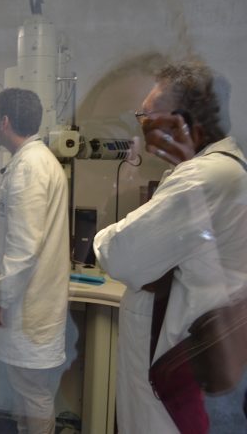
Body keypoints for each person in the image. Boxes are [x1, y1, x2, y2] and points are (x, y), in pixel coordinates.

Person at [94, 62, 247, 433]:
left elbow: (118, 255)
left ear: (181, 122)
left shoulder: (203, 177)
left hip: (175, 363)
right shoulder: (220, 168)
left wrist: (110, 238)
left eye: (148, 116)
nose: (143, 125)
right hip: (191, 357)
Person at [0, 88, 70, 434]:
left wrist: (0, 299)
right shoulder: (36, 161)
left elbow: (23, 247)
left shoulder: (29, 168)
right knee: (26, 391)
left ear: (4, 122)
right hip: (32, 302)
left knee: (32, 393)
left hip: (27, 306)